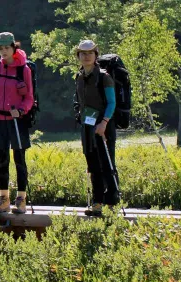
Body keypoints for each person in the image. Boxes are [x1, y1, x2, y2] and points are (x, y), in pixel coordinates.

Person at [0, 32, 35, 214]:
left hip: (18, 121)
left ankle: (21, 199)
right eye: (0, 48)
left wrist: (21, 110)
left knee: (19, 160)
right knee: (2, 161)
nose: (3, 51)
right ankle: (3, 199)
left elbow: (29, 98)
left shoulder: (24, 70)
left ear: (14, 48)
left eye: (7, 48)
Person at [73, 39, 118, 216]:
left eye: (90, 53)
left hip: (103, 125)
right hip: (87, 126)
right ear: (78, 56)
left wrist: (104, 123)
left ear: (96, 55)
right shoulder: (79, 76)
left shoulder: (104, 77)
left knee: (107, 164)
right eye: (83, 53)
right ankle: (97, 203)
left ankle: (112, 203)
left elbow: (112, 103)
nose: (86, 56)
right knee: (93, 166)